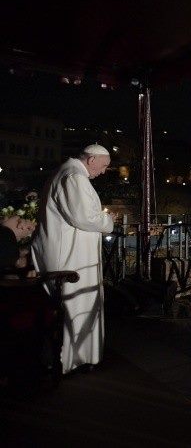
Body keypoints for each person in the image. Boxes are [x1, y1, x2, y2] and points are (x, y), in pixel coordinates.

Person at [31, 144, 117, 374]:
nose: (104, 170)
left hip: (68, 251)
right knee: (74, 303)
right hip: (70, 256)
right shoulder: (74, 177)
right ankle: (69, 360)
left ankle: (72, 358)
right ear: (91, 160)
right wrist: (108, 221)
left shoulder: (67, 173)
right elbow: (84, 217)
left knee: (74, 303)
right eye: (104, 165)